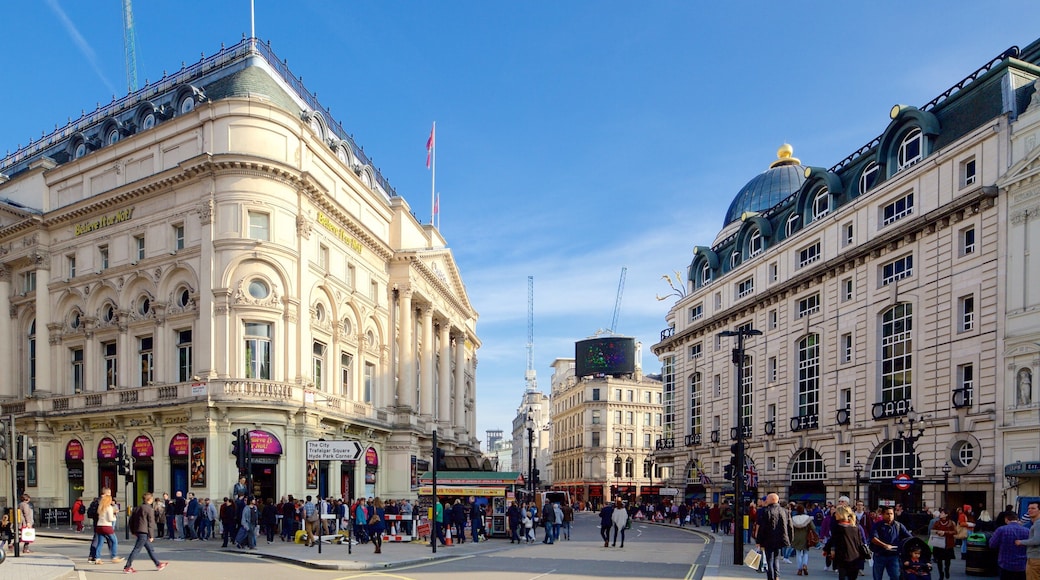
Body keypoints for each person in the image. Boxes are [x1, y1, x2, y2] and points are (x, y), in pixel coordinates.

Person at [123, 492, 170, 573]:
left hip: (138, 531)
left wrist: (133, 531)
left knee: (150, 549)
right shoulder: (149, 509)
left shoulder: (137, 508)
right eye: (152, 499)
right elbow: (151, 523)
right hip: (144, 532)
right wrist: (151, 535)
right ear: (149, 500)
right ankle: (127, 567)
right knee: (137, 549)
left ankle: (158, 564)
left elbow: (131, 520)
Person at [756, 493, 794, 580]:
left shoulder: (766, 511)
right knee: (776, 558)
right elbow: (790, 527)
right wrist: (790, 539)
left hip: (768, 539)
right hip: (780, 538)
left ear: (771, 500)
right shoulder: (785, 511)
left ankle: (770, 577)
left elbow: (763, 528)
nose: (766, 501)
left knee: (769, 559)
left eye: (767, 499)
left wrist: (758, 541)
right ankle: (777, 576)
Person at [823, 506, 867, 580]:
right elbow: (859, 543)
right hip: (855, 557)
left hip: (843, 557)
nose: (835, 514)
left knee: (843, 577)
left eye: (836, 513)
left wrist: (826, 550)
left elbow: (832, 539)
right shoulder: (855, 527)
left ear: (841, 514)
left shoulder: (839, 527)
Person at [871, 506, 912, 580]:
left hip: (894, 556)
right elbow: (874, 539)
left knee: (896, 576)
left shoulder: (898, 525)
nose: (890, 516)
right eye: (887, 514)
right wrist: (884, 545)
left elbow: (909, 538)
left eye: (891, 514)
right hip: (880, 555)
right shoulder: (877, 525)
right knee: (877, 577)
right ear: (883, 515)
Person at [990, 510, 1029, 580]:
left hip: (1005, 563)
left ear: (1006, 519)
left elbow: (992, 544)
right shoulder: (1027, 530)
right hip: (1022, 564)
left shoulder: (1001, 530)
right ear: (1017, 519)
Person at [90, 487, 121, 564]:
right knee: (114, 541)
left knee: (100, 543)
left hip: (99, 526)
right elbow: (110, 519)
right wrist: (114, 516)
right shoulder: (109, 507)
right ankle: (114, 556)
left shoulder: (101, 507)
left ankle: (97, 558)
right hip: (107, 526)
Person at [1014, 501, 1040, 580]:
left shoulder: (1038, 523)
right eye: (1028, 508)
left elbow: (1036, 540)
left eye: (1033, 508)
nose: (1029, 510)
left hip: (1035, 559)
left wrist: (1021, 542)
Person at [931, 508, 957, 580]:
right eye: (940, 513)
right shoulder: (937, 522)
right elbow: (933, 530)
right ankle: (941, 573)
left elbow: (955, 532)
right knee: (939, 560)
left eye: (942, 513)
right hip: (939, 543)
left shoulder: (951, 523)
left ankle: (946, 570)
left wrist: (945, 532)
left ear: (946, 514)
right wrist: (937, 532)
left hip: (948, 544)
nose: (940, 514)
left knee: (947, 560)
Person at [791, 503, 817, 576]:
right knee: (805, 552)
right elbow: (813, 527)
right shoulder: (807, 518)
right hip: (806, 537)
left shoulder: (793, 518)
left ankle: (799, 569)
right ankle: (804, 565)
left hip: (796, 537)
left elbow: (790, 528)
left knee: (798, 553)